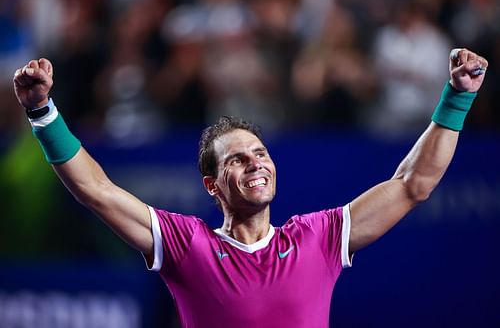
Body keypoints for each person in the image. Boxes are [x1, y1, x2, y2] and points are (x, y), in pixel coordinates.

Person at [12, 48, 488, 328]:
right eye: (237, 159)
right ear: (212, 185)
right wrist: (42, 113)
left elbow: (412, 185)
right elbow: (96, 189)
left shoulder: (317, 238)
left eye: (260, 153)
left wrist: (458, 97)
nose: (255, 164)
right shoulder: (184, 244)